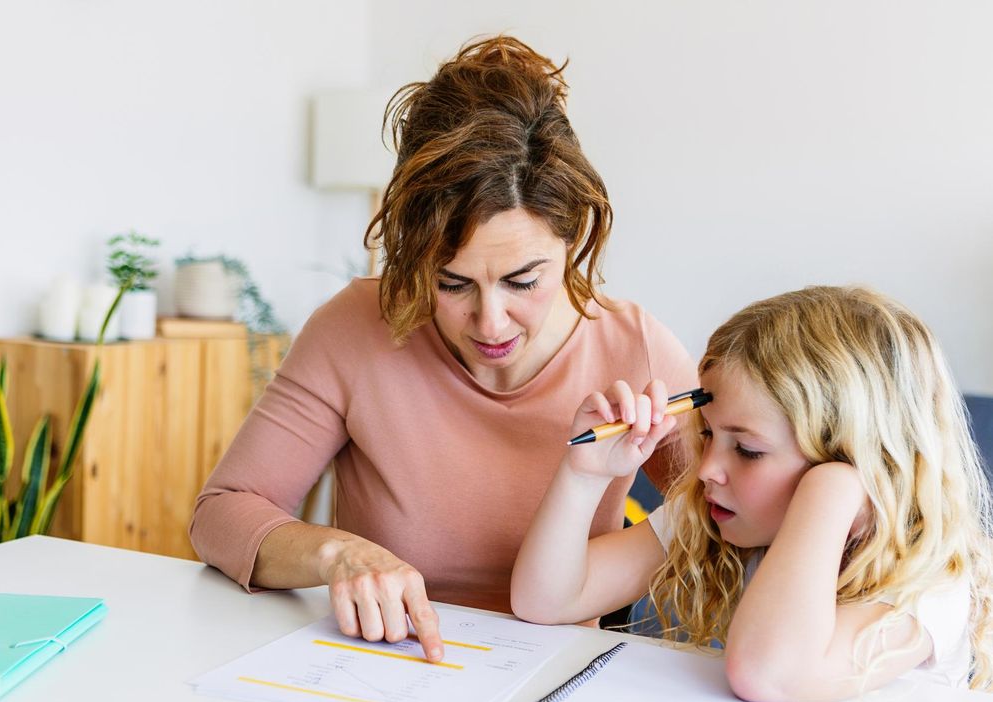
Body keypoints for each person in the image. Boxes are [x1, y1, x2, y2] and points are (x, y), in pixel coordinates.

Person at [189, 36, 696, 663]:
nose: (489, 321)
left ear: (575, 236)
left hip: (554, 680)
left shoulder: (634, 348)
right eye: (451, 283)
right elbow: (221, 514)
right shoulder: (354, 329)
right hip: (384, 664)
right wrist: (337, 553)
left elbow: (731, 503)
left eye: (523, 280)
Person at [511, 285, 993, 702]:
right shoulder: (720, 514)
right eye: (707, 436)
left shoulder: (930, 585)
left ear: (851, 460)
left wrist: (831, 490)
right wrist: (584, 475)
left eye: (746, 449)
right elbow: (547, 601)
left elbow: (768, 674)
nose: (706, 471)